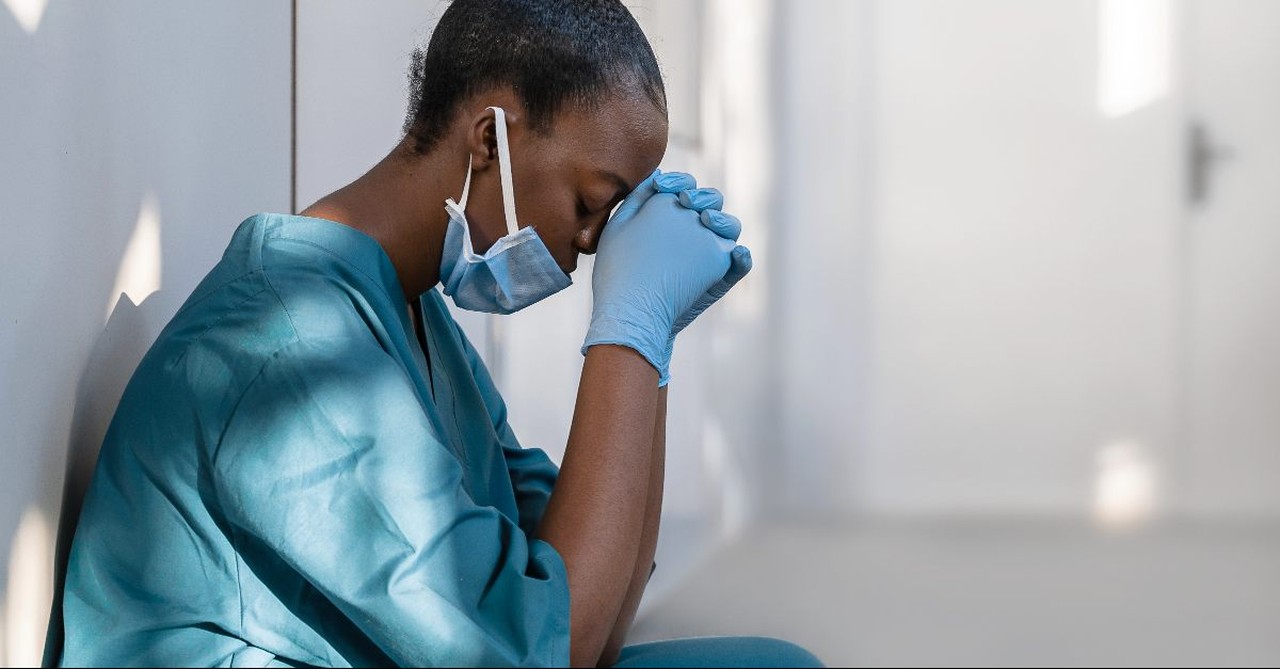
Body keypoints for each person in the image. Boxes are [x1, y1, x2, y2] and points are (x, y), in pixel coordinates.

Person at [51, 1, 823, 667]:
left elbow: (597, 607)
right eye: (593, 202)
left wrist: (655, 345)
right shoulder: (287, 346)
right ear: (489, 139)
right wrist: (630, 326)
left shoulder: (419, 321)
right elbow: (547, 649)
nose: (595, 246)